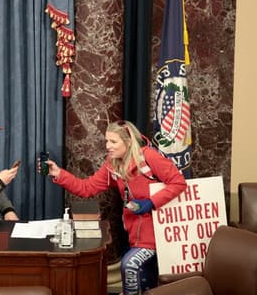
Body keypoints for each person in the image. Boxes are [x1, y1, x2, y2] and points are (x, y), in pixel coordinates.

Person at [41, 120, 187, 295]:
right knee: (148, 283)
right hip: (135, 235)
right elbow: (87, 188)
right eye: (106, 141)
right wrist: (59, 174)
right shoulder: (113, 164)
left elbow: (179, 183)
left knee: (129, 265)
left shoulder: (149, 157)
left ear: (128, 141)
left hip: (159, 233)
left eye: (113, 141)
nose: (108, 146)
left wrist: (150, 202)